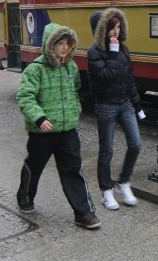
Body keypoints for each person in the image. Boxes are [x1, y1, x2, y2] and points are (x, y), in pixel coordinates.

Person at [16, 22, 100, 229]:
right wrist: (40, 118)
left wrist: (73, 112)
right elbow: (25, 97)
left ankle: (83, 212)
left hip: (68, 131)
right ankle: (25, 197)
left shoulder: (70, 67)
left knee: (73, 170)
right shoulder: (35, 69)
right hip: (42, 133)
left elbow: (75, 90)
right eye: (59, 43)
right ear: (49, 44)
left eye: (67, 43)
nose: (64, 47)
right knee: (34, 167)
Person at [87, 9, 145, 211]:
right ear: (102, 30)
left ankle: (123, 182)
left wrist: (137, 104)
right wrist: (112, 52)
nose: (116, 32)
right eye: (112, 28)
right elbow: (105, 77)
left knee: (136, 144)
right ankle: (106, 191)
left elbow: (129, 79)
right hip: (105, 105)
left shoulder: (123, 49)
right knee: (107, 151)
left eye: (118, 27)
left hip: (125, 103)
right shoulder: (94, 52)